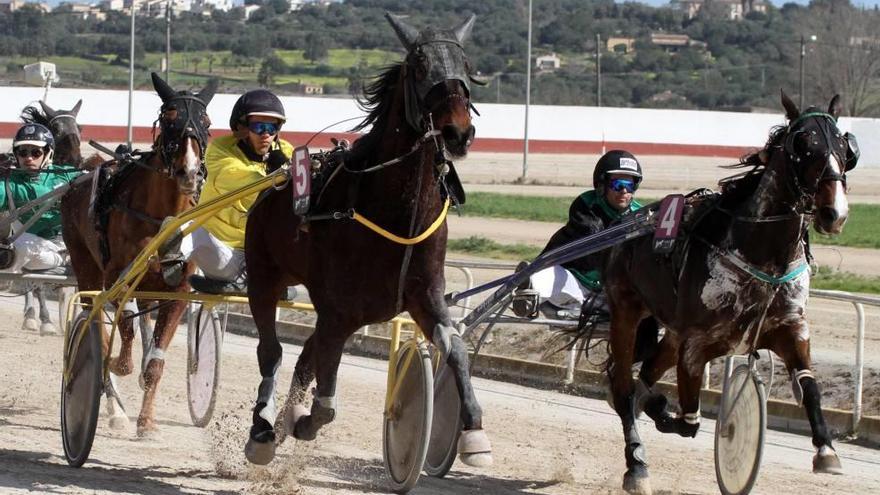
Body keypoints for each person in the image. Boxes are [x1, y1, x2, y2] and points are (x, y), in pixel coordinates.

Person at [161, 89, 294, 294]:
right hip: (222, 253)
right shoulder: (220, 150)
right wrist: (278, 176)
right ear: (241, 128)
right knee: (184, 226)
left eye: (272, 127)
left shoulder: (287, 151)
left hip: (263, 257)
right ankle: (173, 261)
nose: (266, 134)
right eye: (259, 127)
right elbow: (239, 179)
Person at [512, 150, 644, 320]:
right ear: (602, 185)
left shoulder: (641, 214)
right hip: (576, 282)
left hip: (614, 293)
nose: (624, 191)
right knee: (547, 275)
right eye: (617, 185)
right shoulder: (587, 204)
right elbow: (593, 236)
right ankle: (528, 292)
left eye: (630, 185)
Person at [0, 123, 80, 275]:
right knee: (18, 248)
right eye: (23, 152)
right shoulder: (9, 184)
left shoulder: (68, 175)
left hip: (67, 243)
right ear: (16, 155)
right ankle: (62, 259)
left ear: (48, 153)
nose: (29, 158)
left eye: (36, 152)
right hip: (25, 245)